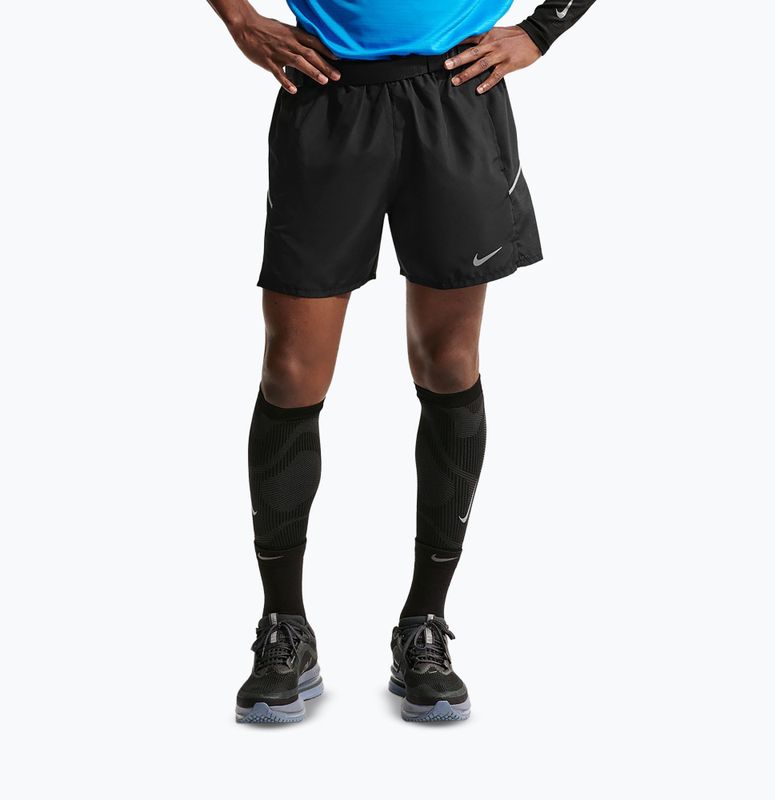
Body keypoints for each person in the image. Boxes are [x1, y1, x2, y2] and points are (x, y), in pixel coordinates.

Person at [207, 0, 596, 724]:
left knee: (448, 362)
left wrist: (543, 30)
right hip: (326, 92)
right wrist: (238, 19)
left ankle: (424, 623)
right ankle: (284, 626)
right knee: (291, 370)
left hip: (455, 93)